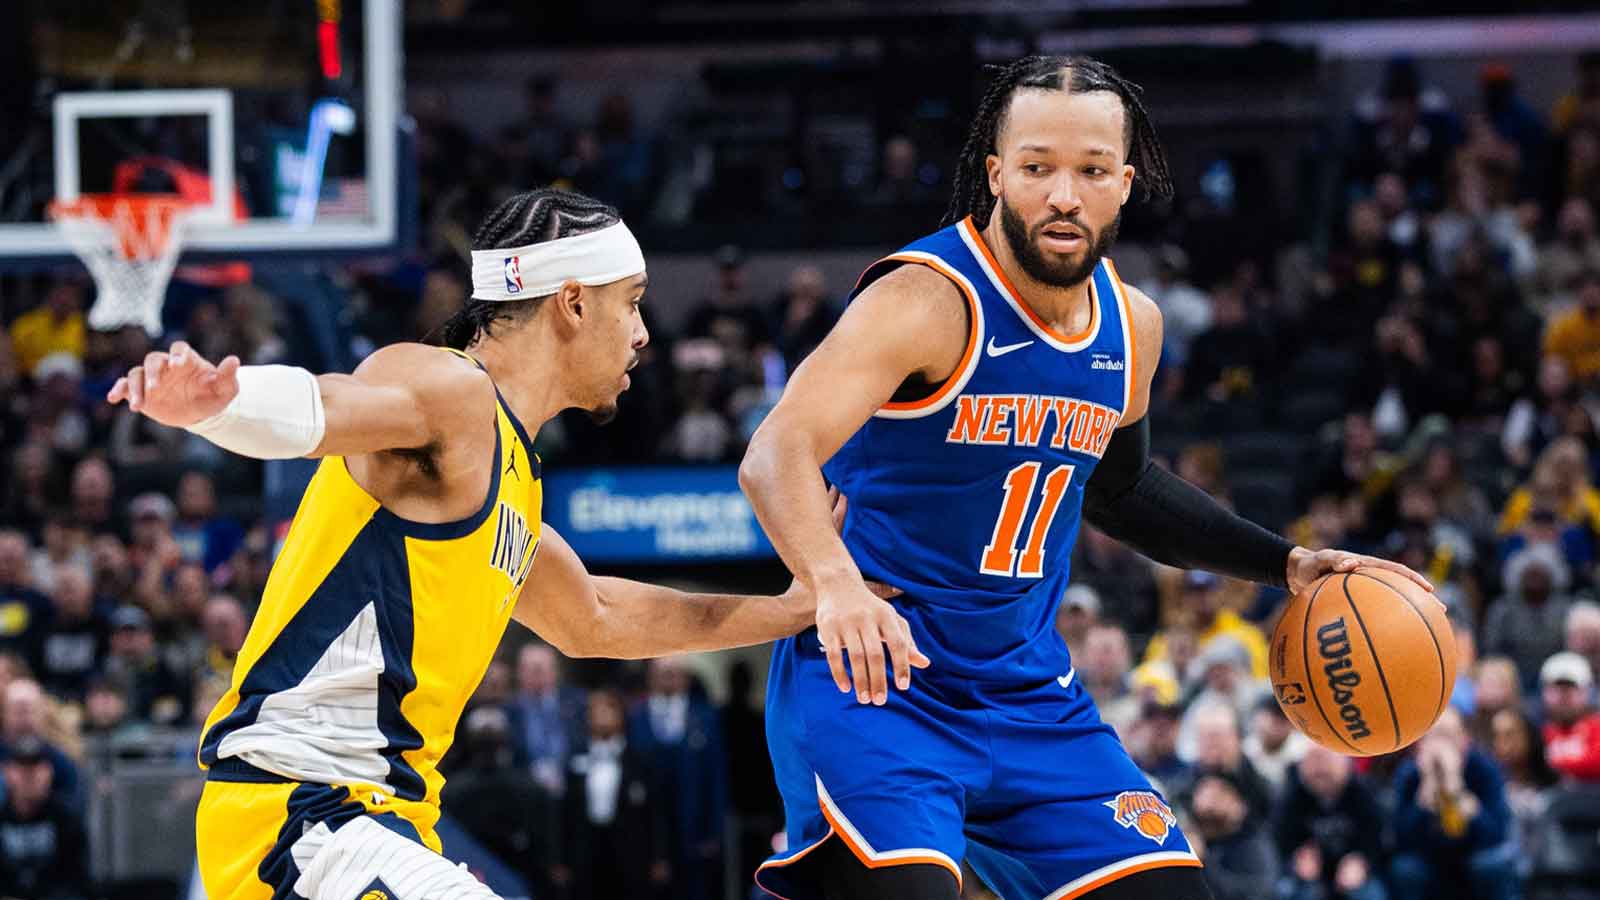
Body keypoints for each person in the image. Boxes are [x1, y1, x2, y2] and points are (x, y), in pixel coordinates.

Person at [740, 55, 1433, 900]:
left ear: (1125, 184)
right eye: (1037, 168)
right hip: (877, 683)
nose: (1062, 194)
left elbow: (1122, 489)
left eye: (1091, 171)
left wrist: (1283, 563)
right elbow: (774, 453)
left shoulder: (1131, 325)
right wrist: (835, 582)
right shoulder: (927, 300)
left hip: (1028, 693)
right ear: (996, 176)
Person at [108, 188, 875, 900]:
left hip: (377, 823)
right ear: (573, 302)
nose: (645, 332)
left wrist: (799, 606)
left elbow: (599, 616)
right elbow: (333, 403)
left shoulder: (512, 475)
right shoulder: (451, 390)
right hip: (302, 812)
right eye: (632, 303)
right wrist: (222, 403)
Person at [1390, 708, 1517, 900]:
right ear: (1421, 743)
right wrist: (1425, 796)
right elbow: (1400, 840)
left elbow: (1497, 835)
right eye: (1434, 737)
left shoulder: (1484, 769)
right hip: (1429, 859)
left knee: (1494, 864)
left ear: (1465, 739)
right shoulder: (1409, 774)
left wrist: (1457, 789)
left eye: (1448, 736)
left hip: (1473, 856)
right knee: (1405, 869)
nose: (1441, 745)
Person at [0, 737, 90, 900]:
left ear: (49, 772)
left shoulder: (67, 819)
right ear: (7, 772)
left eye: (36, 767)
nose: (29, 776)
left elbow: (78, 881)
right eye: (21, 768)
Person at [1539, 651, 1600, 782]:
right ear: (1544, 692)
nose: (1564, 697)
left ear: (1587, 691)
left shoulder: (1597, 728)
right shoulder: (1534, 729)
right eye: (1557, 689)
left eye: (1571, 689)